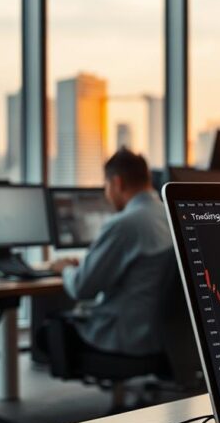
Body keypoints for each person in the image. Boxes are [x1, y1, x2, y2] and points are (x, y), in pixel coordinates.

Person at [48, 149, 174, 356]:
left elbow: (81, 287)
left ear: (117, 183)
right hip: (164, 338)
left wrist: (66, 269)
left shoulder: (123, 225)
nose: (106, 194)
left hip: (120, 338)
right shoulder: (169, 214)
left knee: (48, 331)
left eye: (106, 186)